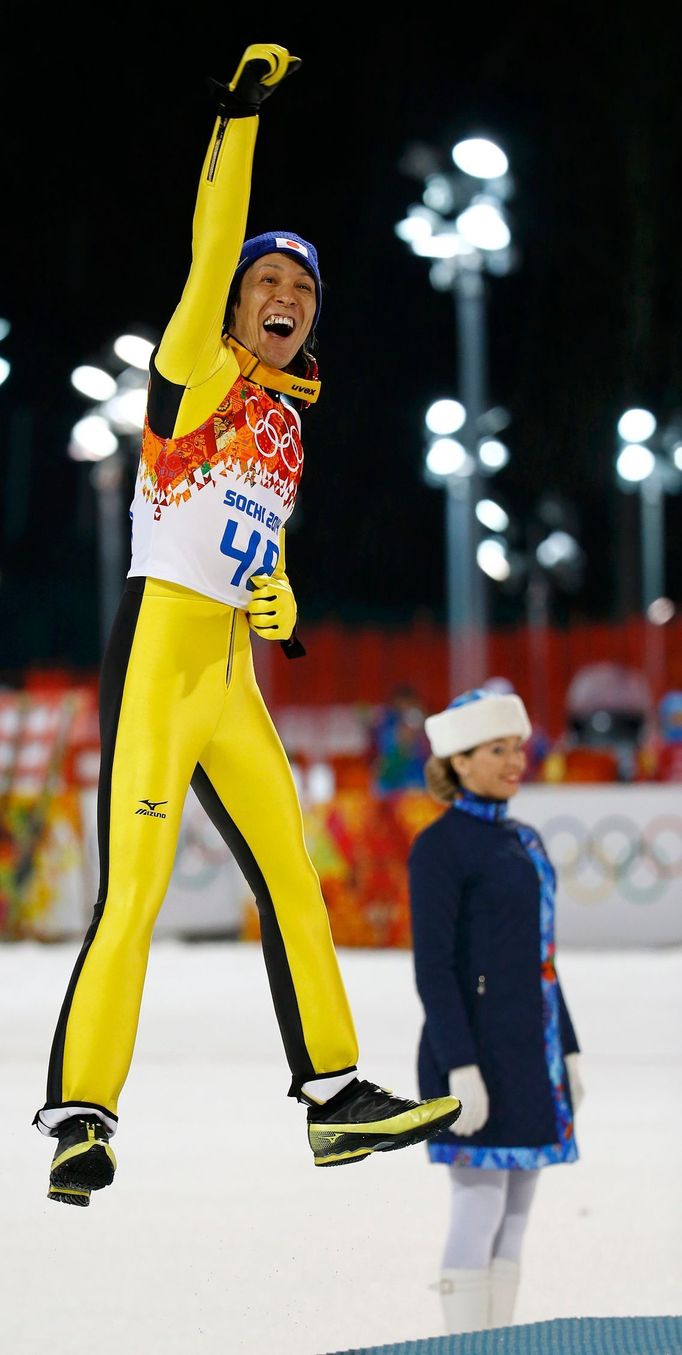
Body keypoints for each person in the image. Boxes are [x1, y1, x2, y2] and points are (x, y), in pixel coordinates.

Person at [33, 42, 460, 1206]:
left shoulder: (283, 424)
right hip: (163, 665)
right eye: (268, 285)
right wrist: (238, 117)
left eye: (304, 292)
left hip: (233, 679)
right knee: (137, 890)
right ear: (229, 309)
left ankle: (332, 1097)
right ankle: (82, 1111)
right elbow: (212, 244)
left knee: (294, 876)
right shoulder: (195, 371)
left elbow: (255, 556)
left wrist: (277, 596)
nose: (282, 298)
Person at [408, 687, 584, 1333]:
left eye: (517, 746)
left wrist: (567, 1046)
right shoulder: (439, 848)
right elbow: (433, 969)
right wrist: (459, 1064)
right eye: (497, 749)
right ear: (457, 760)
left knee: (516, 1215)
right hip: (474, 1055)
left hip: (529, 1057)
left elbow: (542, 959)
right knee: (477, 1209)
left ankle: (501, 1342)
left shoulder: (525, 839)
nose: (516, 760)